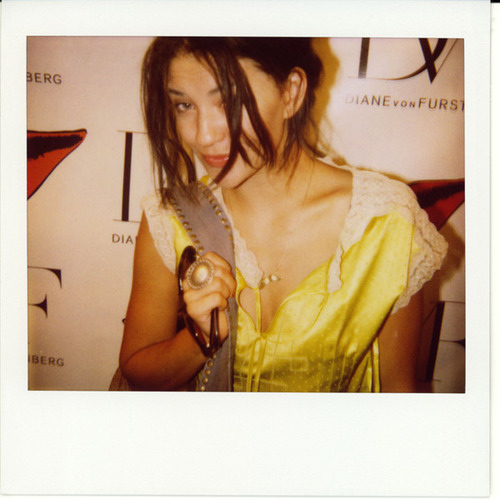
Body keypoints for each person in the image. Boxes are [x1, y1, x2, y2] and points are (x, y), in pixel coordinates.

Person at [118, 37, 447, 392]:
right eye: (184, 105)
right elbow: (138, 370)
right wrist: (201, 338)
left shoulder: (382, 222)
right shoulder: (171, 221)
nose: (203, 134)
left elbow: (397, 392)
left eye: (229, 101)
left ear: (290, 92)